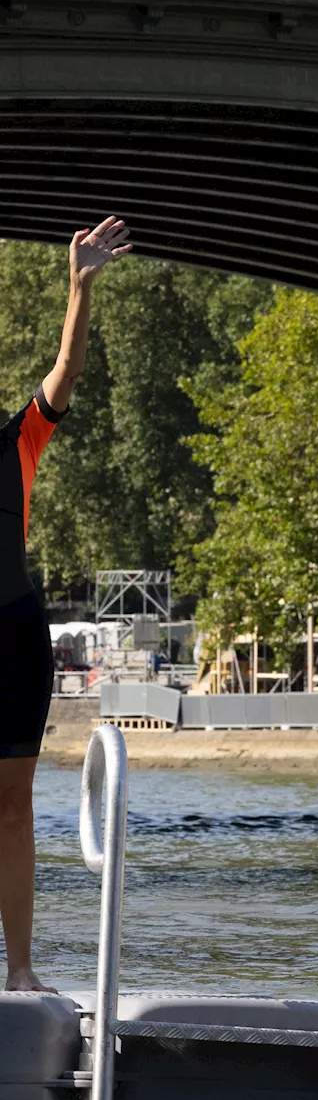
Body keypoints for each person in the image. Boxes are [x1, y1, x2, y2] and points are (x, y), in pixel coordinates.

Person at [0, 216, 131, 993]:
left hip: (13, 635)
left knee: (14, 807)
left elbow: (66, 369)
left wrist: (79, 287)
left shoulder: (17, 440)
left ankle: (19, 970)